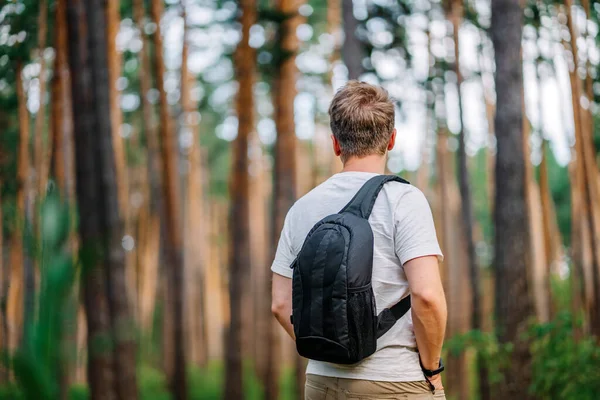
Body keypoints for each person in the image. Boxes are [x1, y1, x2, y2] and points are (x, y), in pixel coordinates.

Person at [270, 81, 448, 399]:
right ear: (391, 139)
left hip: (321, 382)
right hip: (396, 381)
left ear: (336, 143)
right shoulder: (404, 199)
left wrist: (331, 347)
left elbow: (281, 305)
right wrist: (432, 369)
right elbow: (427, 296)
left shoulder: (302, 208)